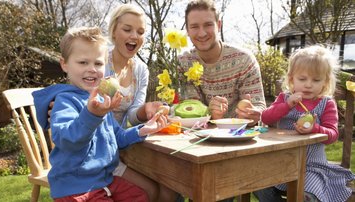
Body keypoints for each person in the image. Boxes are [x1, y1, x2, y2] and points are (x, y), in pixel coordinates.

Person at [32, 27, 168, 201]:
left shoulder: (102, 100)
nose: (92, 69)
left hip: (102, 179)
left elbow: (116, 138)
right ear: (64, 64)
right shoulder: (65, 101)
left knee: (139, 195)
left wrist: (143, 130)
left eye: (98, 63)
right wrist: (91, 114)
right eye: (82, 63)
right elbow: (65, 139)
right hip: (76, 186)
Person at [253, 45, 355, 202]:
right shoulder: (284, 98)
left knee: (307, 194)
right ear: (291, 78)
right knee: (257, 184)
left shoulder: (326, 103)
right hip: (279, 163)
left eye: (316, 80)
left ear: (325, 82)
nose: (308, 84)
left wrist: (315, 129)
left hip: (311, 167)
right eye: (302, 79)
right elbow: (266, 118)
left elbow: (333, 135)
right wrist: (287, 105)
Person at [105, 4, 179, 202]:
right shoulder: (99, 62)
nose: (134, 36)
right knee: (150, 190)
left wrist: (145, 110)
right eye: (127, 29)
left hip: (125, 141)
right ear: (113, 31)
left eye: (140, 32)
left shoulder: (141, 69)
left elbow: (131, 115)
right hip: (102, 147)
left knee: (169, 186)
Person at [177, 0, 266, 125]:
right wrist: (211, 113)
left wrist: (251, 114)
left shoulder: (244, 60)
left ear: (218, 25)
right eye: (194, 26)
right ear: (187, 29)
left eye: (208, 25)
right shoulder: (183, 63)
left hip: (239, 134)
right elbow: (188, 109)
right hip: (197, 136)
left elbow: (259, 107)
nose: (202, 33)